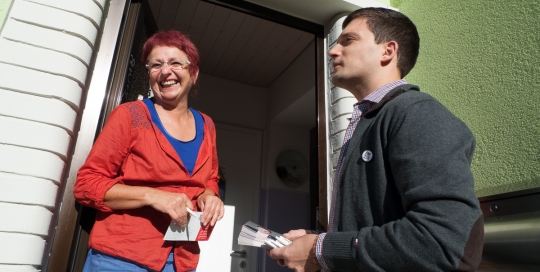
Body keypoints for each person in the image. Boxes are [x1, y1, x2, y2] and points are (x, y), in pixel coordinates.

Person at [268, 7, 483, 272]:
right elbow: (374, 225)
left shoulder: (417, 113)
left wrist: (320, 249)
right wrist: (316, 240)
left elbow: (441, 242)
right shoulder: (370, 121)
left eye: (348, 40)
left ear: (388, 51)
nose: (332, 51)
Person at [74, 30, 224, 272]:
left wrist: (210, 196)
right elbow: (86, 185)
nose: (166, 71)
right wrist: (152, 196)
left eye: (176, 63)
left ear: (193, 73)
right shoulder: (130, 115)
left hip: (182, 261)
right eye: (156, 65)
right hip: (121, 259)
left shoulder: (207, 125)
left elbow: (210, 177)